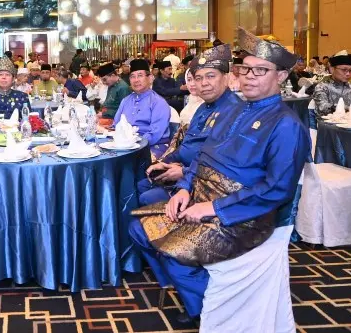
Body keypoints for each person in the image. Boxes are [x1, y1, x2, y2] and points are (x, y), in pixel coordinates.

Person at [129, 28, 310, 325]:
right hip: (202, 196)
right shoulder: (232, 112)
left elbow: (277, 189)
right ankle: (199, 299)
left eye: (260, 70)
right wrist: (184, 188)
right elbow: (202, 156)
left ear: (280, 76)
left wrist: (213, 208)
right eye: (245, 69)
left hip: (243, 216)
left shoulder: (286, 125)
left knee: (174, 251)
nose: (249, 76)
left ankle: (211, 310)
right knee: (139, 228)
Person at [143, 44, 241, 205]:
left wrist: (184, 172)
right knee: (142, 179)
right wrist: (164, 162)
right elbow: (187, 144)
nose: (204, 83)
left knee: (146, 196)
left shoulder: (234, 110)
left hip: (206, 185)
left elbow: (220, 162)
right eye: (198, 78)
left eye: (210, 76)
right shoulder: (203, 107)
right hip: (183, 170)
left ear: (226, 78)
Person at [113, 59, 170, 157]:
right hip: (126, 146)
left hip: (152, 146)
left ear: (150, 78)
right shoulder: (125, 101)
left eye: (140, 75)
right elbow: (116, 125)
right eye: (132, 76)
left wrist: (133, 143)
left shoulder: (158, 102)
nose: (136, 80)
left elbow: (155, 134)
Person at [313, 51, 351, 117]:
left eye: (350, 70)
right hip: (327, 122)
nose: (348, 74)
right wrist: (350, 108)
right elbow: (322, 108)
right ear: (332, 69)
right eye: (344, 70)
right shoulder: (322, 87)